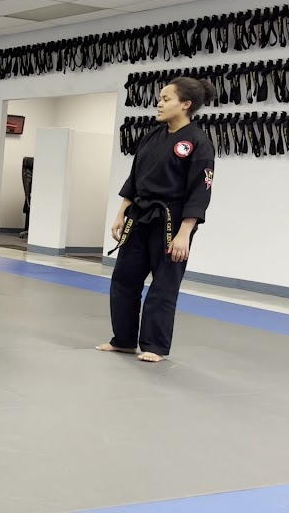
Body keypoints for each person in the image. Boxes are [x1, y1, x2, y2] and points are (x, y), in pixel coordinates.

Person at [98, 77, 216, 363]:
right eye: (160, 98)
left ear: (185, 105)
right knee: (124, 278)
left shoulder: (198, 143)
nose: (159, 104)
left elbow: (200, 191)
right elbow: (135, 177)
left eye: (166, 99)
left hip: (171, 221)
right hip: (139, 215)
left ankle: (155, 345)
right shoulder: (153, 135)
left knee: (163, 284)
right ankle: (123, 339)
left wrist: (185, 232)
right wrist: (121, 212)